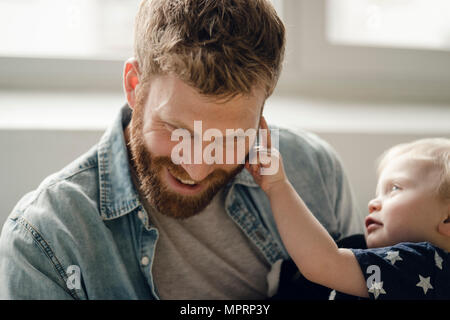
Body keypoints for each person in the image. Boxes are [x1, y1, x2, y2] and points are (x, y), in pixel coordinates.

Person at [0, 0, 362, 299]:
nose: (197, 168)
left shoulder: (316, 173)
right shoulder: (44, 241)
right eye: (176, 130)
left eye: (230, 139)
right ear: (134, 86)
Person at [247, 133, 450, 300]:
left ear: (448, 219)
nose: (373, 203)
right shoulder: (374, 255)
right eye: (377, 193)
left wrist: (277, 186)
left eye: (395, 188)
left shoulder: (427, 266)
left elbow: (322, 263)